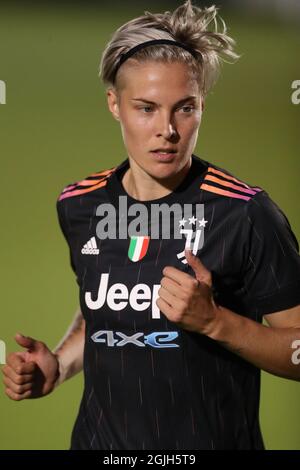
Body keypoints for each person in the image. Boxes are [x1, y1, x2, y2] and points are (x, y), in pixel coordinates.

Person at [2, 0, 300, 450]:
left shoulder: (244, 213)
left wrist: (216, 322)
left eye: (185, 108)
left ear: (202, 107)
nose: (168, 130)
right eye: (146, 108)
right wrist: (60, 365)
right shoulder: (79, 205)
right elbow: (99, 308)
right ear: (114, 104)